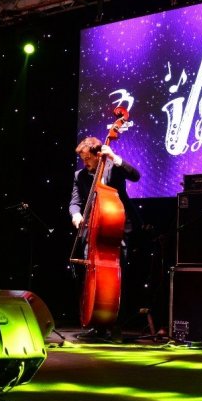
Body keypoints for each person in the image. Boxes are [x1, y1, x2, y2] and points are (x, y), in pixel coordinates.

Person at [69, 136, 141, 339]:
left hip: (114, 229)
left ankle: (114, 323)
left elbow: (136, 176)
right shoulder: (80, 175)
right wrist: (76, 215)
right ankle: (96, 322)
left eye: (87, 159)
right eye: (82, 159)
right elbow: (74, 202)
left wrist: (115, 158)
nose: (85, 163)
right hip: (92, 231)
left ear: (97, 154)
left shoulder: (113, 167)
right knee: (90, 277)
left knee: (116, 278)